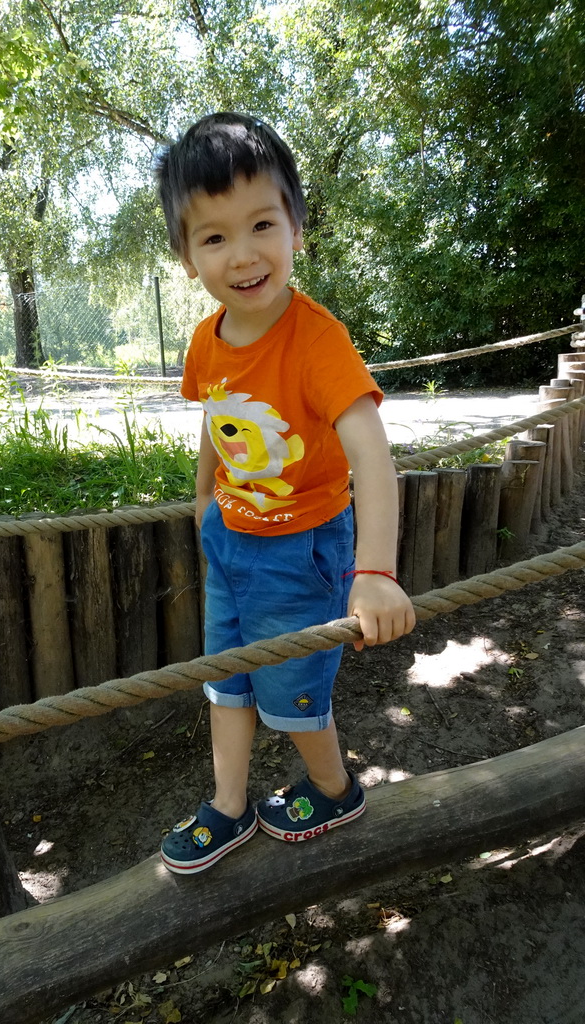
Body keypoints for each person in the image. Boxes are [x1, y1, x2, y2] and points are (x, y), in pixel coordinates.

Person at [154, 112, 416, 874]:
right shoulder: (207, 339)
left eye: (261, 224)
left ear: (297, 227)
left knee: (291, 690)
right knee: (224, 683)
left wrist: (374, 572)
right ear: (187, 255)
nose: (242, 255)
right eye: (214, 237)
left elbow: (371, 452)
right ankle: (230, 807)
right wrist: (203, 498)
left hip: (302, 548)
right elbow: (217, 417)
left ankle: (334, 788)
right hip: (230, 540)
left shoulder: (317, 339)